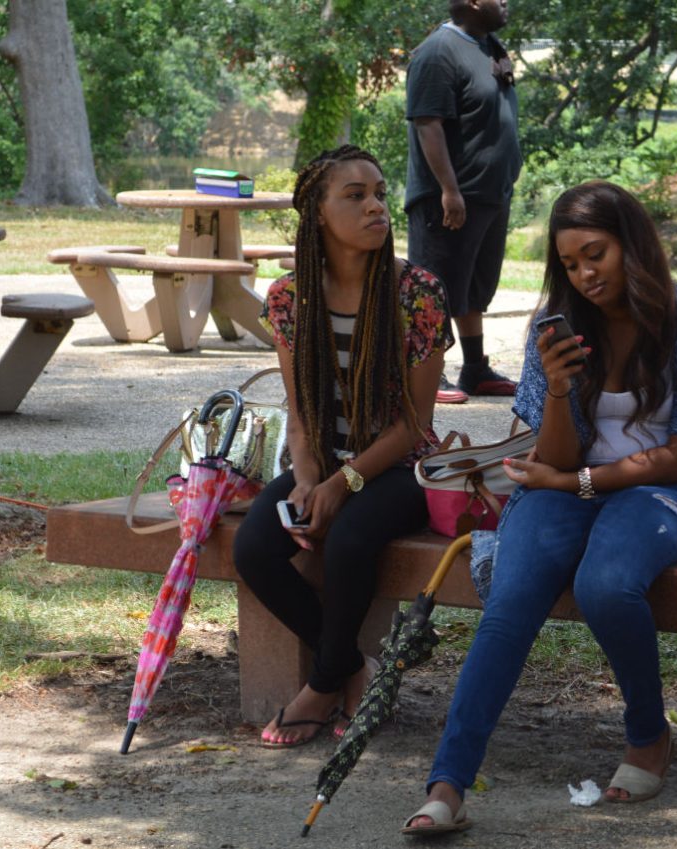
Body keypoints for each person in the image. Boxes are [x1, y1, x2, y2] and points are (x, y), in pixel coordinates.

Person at [401, 181, 677, 834]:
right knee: (511, 597)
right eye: (571, 263)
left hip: (663, 494)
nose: (585, 274)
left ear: (632, 246)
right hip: (565, 486)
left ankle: (648, 733)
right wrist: (558, 390)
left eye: (596, 254)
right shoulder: (557, 328)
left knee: (606, 585)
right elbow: (552, 457)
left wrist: (577, 482)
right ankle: (448, 782)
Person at [233, 146, 452, 748]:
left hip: (403, 466)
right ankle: (356, 668)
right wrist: (308, 481)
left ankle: (322, 683)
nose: (376, 206)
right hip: (323, 463)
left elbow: (413, 423)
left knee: (351, 539)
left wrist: (342, 484)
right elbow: (300, 414)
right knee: (254, 548)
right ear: (318, 215)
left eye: (379, 192)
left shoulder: (419, 293)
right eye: (354, 196)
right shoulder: (288, 297)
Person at [405, 0, 523, 403]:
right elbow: (427, 124)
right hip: (449, 195)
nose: (506, 2)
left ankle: (475, 369)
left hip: (488, 193)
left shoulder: (488, 44)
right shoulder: (438, 52)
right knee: (432, 286)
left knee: (473, 286)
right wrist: (449, 190)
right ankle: (424, 371)